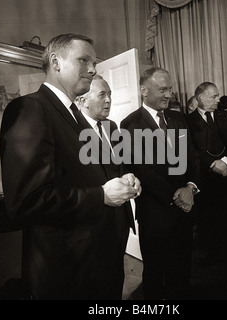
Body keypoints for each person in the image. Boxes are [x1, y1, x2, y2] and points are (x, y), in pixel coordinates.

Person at [0, 33, 141, 300]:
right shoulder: (30, 109)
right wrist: (102, 196)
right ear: (56, 62)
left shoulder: (76, 116)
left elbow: (93, 173)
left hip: (100, 257)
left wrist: (124, 181)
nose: (92, 68)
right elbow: (25, 202)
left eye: (94, 62)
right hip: (67, 269)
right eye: (84, 60)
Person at [120, 67, 200, 300]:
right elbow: (140, 169)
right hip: (155, 212)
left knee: (183, 268)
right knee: (155, 273)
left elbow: (192, 155)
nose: (169, 95)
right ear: (144, 90)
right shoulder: (130, 124)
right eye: (163, 89)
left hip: (185, 208)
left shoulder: (178, 118)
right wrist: (176, 195)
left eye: (170, 89)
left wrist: (191, 187)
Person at [76, 75, 135, 298]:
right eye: (102, 94)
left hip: (120, 220)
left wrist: (129, 176)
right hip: (92, 225)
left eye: (110, 94)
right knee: (95, 286)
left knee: (115, 279)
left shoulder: (112, 127)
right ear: (83, 100)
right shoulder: (72, 131)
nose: (109, 100)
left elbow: (119, 167)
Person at [186, 83, 227, 266]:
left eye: (218, 96)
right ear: (200, 98)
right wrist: (212, 164)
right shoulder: (187, 120)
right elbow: (191, 150)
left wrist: (225, 161)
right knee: (209, 220)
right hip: (204, 179)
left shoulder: (224, 115)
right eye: (213, 97)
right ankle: (212, 257)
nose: (218, 100)